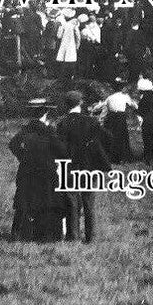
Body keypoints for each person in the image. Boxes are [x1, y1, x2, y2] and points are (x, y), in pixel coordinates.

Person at [55, 90, 110, 244]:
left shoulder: (62, 123)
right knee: (89, 201)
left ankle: (73, 236)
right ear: (80, 103)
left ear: (67, 105)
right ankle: (90, 237)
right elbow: (107, 137)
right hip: (88, 166)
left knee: (71, 201)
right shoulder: (91, 121)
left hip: (70, 166)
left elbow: (59, 147)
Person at [8, 106, 69, 243]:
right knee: (47, 202)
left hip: (27, 170)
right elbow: (62, 151)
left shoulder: (25, 131)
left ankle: (21, 234)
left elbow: (12, 144)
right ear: (46, 113)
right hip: (46, 171)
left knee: (25, 202)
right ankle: (46, 235)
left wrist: (23, 157)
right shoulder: (49, 131)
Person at [94, 78, 137, 163]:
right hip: (120, 117)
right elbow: (133, 105)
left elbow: (102, 105)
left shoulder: (110, 97)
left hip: (111, 117)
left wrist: (95, 108)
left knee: (111, 136)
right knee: (121, 136)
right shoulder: (125, 96)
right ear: (122, 88)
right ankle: (123, 157)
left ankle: (111, 156)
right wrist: (136, 106)